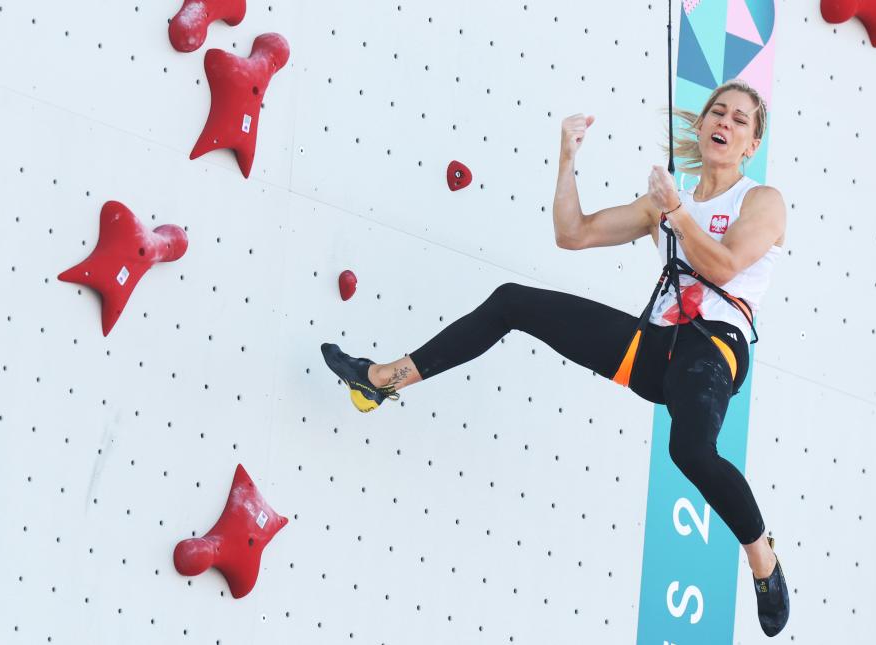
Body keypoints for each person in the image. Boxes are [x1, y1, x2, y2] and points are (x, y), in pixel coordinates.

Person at [320, 78, 790, 637]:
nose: (725, 123)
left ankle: (762, 559)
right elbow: (573, 233)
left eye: (739, 120)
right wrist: (567, 159)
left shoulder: (759, 201)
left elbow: (726, 266)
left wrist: (676, 212)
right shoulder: (664, 203)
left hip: (713, 349)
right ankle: (381, 379)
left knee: (688, 449)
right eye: (719, 112)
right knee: (512, 302)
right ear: (703, 122)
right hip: (656, 348)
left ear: (750, 144)